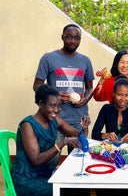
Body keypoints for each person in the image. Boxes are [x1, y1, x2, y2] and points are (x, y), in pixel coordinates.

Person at [11, 84, 91, 196]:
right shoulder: (28, 125)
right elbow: (36, 159)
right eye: (52, 106)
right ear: (40, 104)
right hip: (26, 179)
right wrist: (62, 143)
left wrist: (85, 126)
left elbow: (79, 136)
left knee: (79, 186)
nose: (57, 110)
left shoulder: (54, 120)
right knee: (67, 190)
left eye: (59, 106)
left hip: (44, 172)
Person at [33, 24, 94, 165]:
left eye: (77, 38)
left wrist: (85, 99)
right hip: (55, 119)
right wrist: (54, 94)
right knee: (51, 161)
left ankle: (74, 188)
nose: (73, 41)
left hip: (79, 120)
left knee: (79, 162)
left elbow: (90, 88)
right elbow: (37, 86)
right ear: (62, 37)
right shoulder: (48, 58)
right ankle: (50, 187)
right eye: (69, 37)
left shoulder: (85, 61)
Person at [92, 76, 128, 142]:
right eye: (119, 95)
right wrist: (106, 135)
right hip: (111, 149)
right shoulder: (106, 109)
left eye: (127, 95)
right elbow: (94, 134)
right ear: (113, 93)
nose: (123, 98)